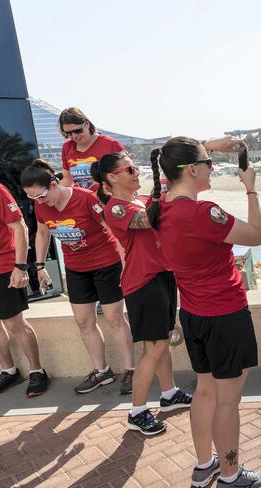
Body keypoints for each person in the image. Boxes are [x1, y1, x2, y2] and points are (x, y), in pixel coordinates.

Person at [147, 137, 261, 488]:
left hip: (195, 314)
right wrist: (251, 191)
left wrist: (212, 146)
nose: (212, 169)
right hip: (226, 316)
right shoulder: (203, 214)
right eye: (208, 163)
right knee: (227, 401)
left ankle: (206, 465)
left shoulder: (161, 207)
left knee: (204, 390)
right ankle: (232, 477)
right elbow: (258, 236)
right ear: (191, 170)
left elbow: (175, 153)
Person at [92, 153, 192, 435]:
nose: (136, 173)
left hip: (162, 276)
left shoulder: (140, 198)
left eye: (137, 168)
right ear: (112, 177)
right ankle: (137, 411)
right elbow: (150, 220)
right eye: (130, 169)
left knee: (161, 341)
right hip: (143, 283)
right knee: (153, 348)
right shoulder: (116, 208)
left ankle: (169, 393)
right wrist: (170, 191)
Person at [20, 160, 136, 395]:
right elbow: (42, 233)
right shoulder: (42, 207)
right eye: (33, 199)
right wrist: (40, 266)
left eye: (41, 196)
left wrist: (127, 267)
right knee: (84, 322)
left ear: (53, 184)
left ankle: (131, 370)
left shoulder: (86, 199)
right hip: (76, 268)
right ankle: (102, 371)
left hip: (106, 264)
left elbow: (115, 230)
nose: (39, 202)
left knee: (115, 318)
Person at [0, 180, 49, 397]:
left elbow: (20, 227)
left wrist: (20, 266)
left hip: (2, 266)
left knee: (13, 322)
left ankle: (37, 371)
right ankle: (9, 371)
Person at [59, 107, 125, 190]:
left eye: (78, 130)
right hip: (84, 200)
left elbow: (129, 175)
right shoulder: (67, 147)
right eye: (68, 133)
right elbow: (67, 180)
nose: (74, 136)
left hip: (109, 199)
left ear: (87, 123)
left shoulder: (111, 144)